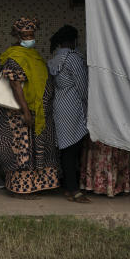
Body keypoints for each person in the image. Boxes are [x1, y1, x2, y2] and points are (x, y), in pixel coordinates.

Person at [0, 17, 59, 198]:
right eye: (26, 35)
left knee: (38, 149)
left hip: (39, 113)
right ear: (18, 36)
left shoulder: (34, 55)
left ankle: (36, 185)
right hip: (20, 115)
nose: (30, 38)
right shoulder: (14, 58)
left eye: (31, 34)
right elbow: (15, 86)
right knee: (22, 151)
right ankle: (20, 189)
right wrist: (26, 111)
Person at [48, 25, 90, 203]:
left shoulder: (56, 58)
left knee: (66, 148)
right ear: (73, 40)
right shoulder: (73, 58)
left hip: (59, 104)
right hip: (73, 106)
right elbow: (83, 87)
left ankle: (67, 186)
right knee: (72, 149)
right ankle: (73, 189)